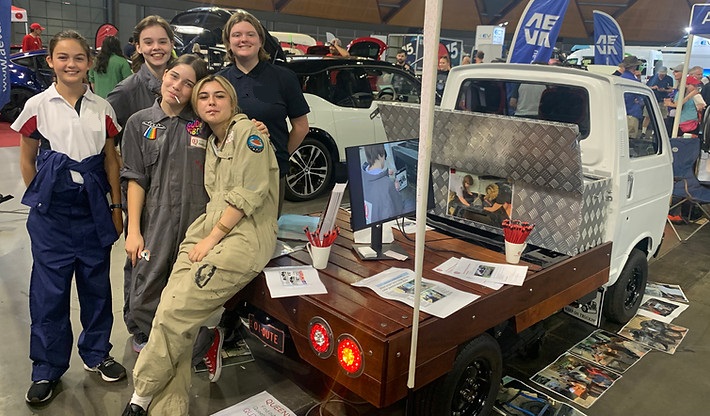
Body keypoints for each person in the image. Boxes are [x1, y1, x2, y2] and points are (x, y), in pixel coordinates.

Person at [121, 75, 279, 416]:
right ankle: (168, 408)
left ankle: (140, 397)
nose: (211, 102)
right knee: (169, 310)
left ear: (233, 103)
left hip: (244, 235)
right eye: (204, 96)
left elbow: (248, 194)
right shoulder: (212, 141)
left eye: (219, 96)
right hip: (207, 228)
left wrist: (211, 239)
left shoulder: (249, 135)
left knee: (177, 310)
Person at [12, 29, 126, 405]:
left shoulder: (102, 108)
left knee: (96, 285)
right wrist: (44, 197)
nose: (71, 64)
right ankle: (46, 367)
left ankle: (97, 353)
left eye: (78, 57)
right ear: (50, 62)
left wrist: (115, 205)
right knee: (49, 293)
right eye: (63, 57)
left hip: (93, 209)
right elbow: (28, 158)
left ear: (89, 62)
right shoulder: (37, 106)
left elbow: (111, 159)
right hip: (53, 216)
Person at [121, 54, 210, 354]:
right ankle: (143, 332)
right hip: (153, 218)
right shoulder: (139, 123)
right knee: (147, 276)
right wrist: (133, 229)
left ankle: (184, 337)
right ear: (163, 76)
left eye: (188, 84)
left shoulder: (203, 127)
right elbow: (134, 178)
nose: (177, 87)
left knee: (187, 281)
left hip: (194, 218)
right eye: (174, 77)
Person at [218, 10, 309, 214]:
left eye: (250, 34)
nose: (244, 40)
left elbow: (301, 127)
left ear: (260, 41)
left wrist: (276, 157)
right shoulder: (219, 82)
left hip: (270, 175)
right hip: (229, 174)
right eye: (236, 35)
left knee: (266, 237)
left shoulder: (284, 78)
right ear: (228, 43)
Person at [107, 15, 176, 147]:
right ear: (138, 47)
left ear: (171, 44)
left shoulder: (183, 88)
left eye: (162, 42)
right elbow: (106, 138)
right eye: (148, 42)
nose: (156, 47)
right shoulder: (125, 91)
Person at [361, 143, 403, 223]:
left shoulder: (362, 177)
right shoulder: (388, 184)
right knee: (410, 203)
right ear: (381, 155)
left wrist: (386, 174)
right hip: (385, 225)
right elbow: (398, 209)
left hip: (369, 223)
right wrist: (396, 190)